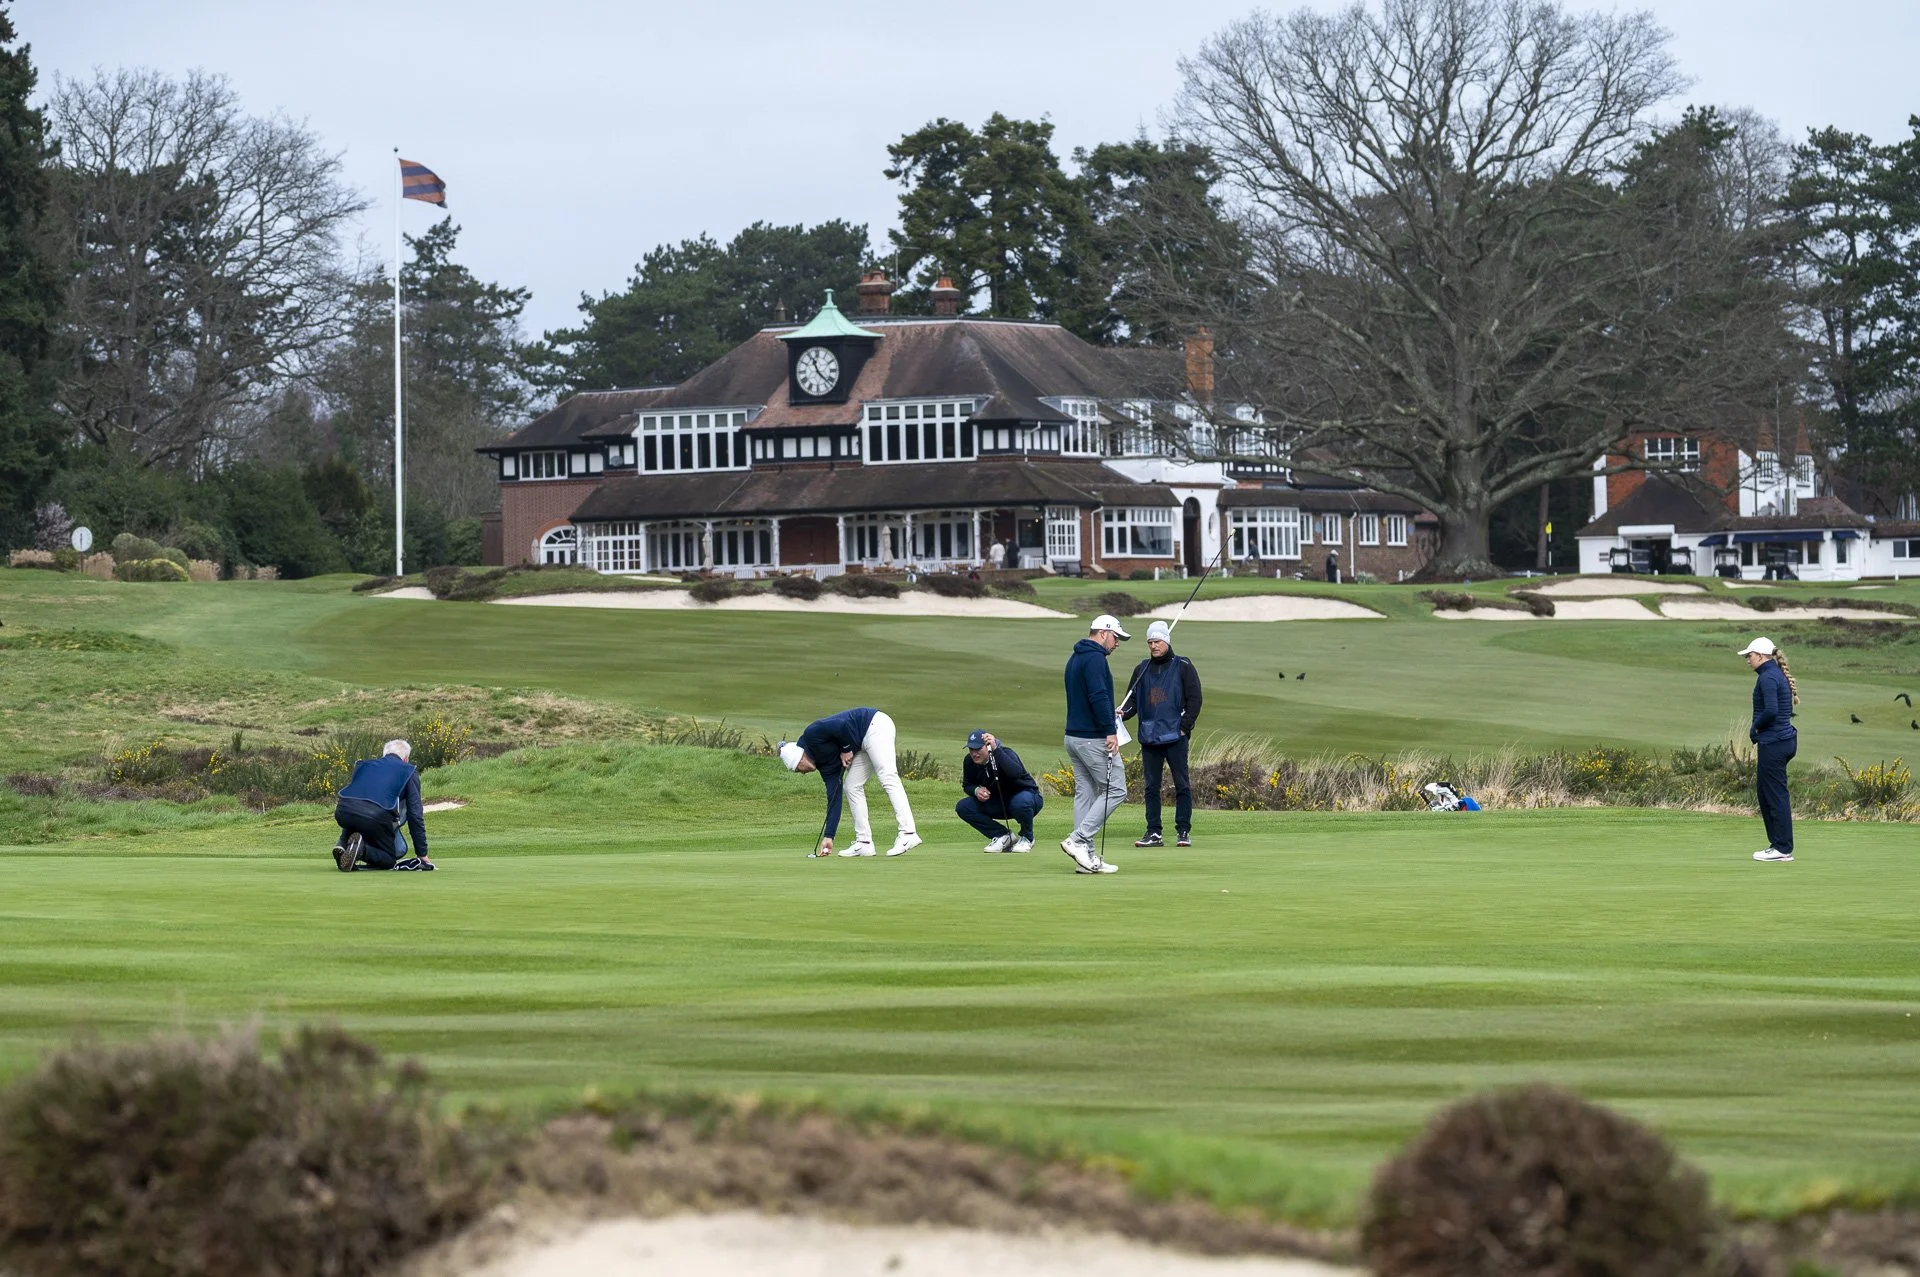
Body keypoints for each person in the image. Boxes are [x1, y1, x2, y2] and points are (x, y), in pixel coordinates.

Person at [780, 707, 921, 858]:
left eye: (798, 769)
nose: (801, 773)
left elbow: (840, 725)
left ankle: (908, 833)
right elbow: (834, 799)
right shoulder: (826, 769)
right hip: (862, 743)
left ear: (799, 759)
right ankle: (864, 843)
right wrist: (829, 836)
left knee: (888, 776)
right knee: (852, 786)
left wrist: (846, 748)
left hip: (874, 724)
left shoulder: (812, 734)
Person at [1121, 620, 1203, 848]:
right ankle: (1154, 832)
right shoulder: (1142, 668)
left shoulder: (1183, 665)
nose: (1153, 646)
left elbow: (1195, 699)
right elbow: (1132, 701)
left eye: (1157, 641)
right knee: (1151, 787)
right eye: (1150, 642)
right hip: (1149, 736)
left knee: (1182, 784)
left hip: (1175, 736)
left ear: (1166, 641)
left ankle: (1183, 830)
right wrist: (1123, 713)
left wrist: (1185, 726)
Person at [1061, 613, 1129, 874]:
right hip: (1092, 738)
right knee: (1116, 790)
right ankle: (1077, 840)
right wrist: (1109, 730)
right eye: (1116, 637)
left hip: (1073, 737)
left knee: (1086, 793)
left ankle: (1086, 857)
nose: (1117, 643)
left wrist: (1109, 716)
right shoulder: (1095, 659)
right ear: (1103, 633)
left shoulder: (1076, 657)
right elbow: (1098, 696)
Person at [333, 739, 434, 871]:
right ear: (405, 758)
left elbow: (356, 797)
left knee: (356, 811)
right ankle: (361, 849)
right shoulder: (408, 770)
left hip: (343, 811)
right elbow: (415, 813)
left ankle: (344, 844)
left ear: (384, 754)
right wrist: (422, 854)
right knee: (388, 859)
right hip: (374, 817)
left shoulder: (365, 765)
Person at [1742, 636, 1799, 862]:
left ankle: (1781, 848)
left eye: (1749, 656)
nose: (1747, 660)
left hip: (1774, 742)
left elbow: (1771, 711)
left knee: (1773, 795)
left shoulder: (1767, 677)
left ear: (1761, 656)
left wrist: (1754, 727)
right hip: (1782, 740)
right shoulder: (1774, 674)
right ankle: (1779, 846)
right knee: (1768, 794)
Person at [955, 729, 1043, 853]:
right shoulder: (969, 761)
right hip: (998, 802)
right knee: (963, 807)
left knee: (1020, 802)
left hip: (1027, 797)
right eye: (971, 750)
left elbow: (1016, 773)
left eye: (978, 749)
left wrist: (996, 751)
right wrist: (976, 790)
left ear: (988, 746)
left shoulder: (1006, 754)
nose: (974, 754)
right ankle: (1003, 836)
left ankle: (1027, 838)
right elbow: (967, 785)